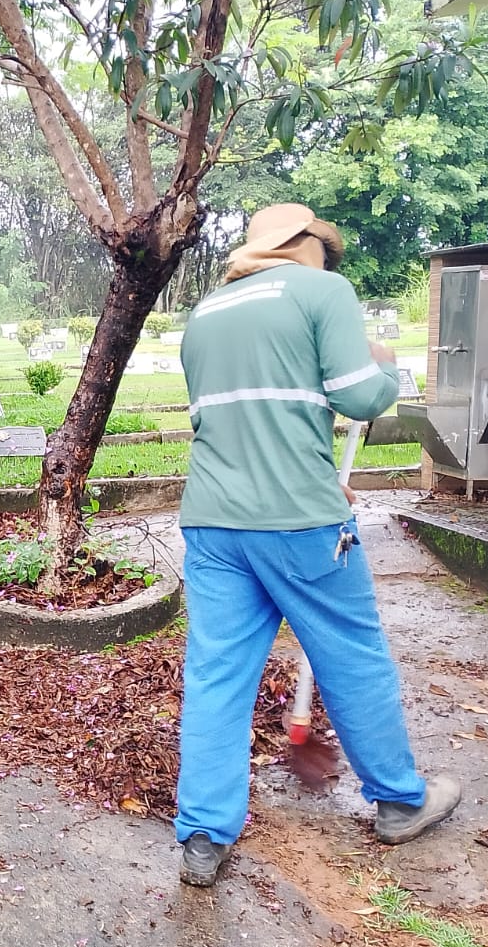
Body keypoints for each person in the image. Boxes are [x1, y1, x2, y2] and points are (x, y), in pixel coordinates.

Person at [174, 204, 461, 887]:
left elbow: (242, 421)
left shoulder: (206, 312)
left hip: (215, 524)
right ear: (306, 247)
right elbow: (360, 399)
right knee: (353, 659)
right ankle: (398, 800)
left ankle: (203, 839)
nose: (330, 264)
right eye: (325, 252)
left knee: (216, 677)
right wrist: (386, 368)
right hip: (300, 527)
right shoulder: (322, 292)